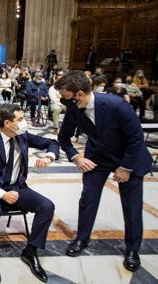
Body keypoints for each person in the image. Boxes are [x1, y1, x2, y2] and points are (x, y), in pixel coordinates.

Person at [55, 71, 152, 272]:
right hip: (97, 157)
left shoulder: (116, 105)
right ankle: (82, 239)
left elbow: (136, 138)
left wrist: (125, 167)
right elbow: (63, 138)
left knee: (131, 206)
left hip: (129, 157)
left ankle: (132, 250)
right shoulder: (74, 111)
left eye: (65, 97)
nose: (62, 101)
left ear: (79, 94)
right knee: (88, 198)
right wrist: (77, 157)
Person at [0, 104, 58, 283]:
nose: (24, 122)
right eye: (20, 119)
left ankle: (31, 251)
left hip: (16, 186)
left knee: (47, 206)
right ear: (8, 123)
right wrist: (2, 193)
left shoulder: (22, 136)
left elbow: (52, 142)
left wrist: (49, 156)